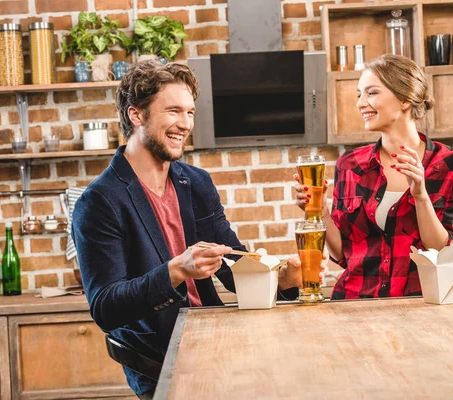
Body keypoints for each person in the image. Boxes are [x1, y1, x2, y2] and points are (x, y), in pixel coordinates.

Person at [72, 61, 301, 398]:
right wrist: (176, 271)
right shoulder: (100, 201)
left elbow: (234, 266)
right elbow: (106, 308)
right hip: (162, 360)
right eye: (174, 111)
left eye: (190, 112)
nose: (185, 124)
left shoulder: (195, 183)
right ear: (137, 116)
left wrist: (280, 280)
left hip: (217, 344)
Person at [294, 54, 453, 300]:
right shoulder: (350, 164)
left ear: (404, 99)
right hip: (354, 305)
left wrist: (420, 196)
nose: (360, 103)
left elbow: (443, 254)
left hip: (421, 305)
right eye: (359, 94)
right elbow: (344, 254)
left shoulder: (452, 164)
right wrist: (321, 211)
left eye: (372, 93)